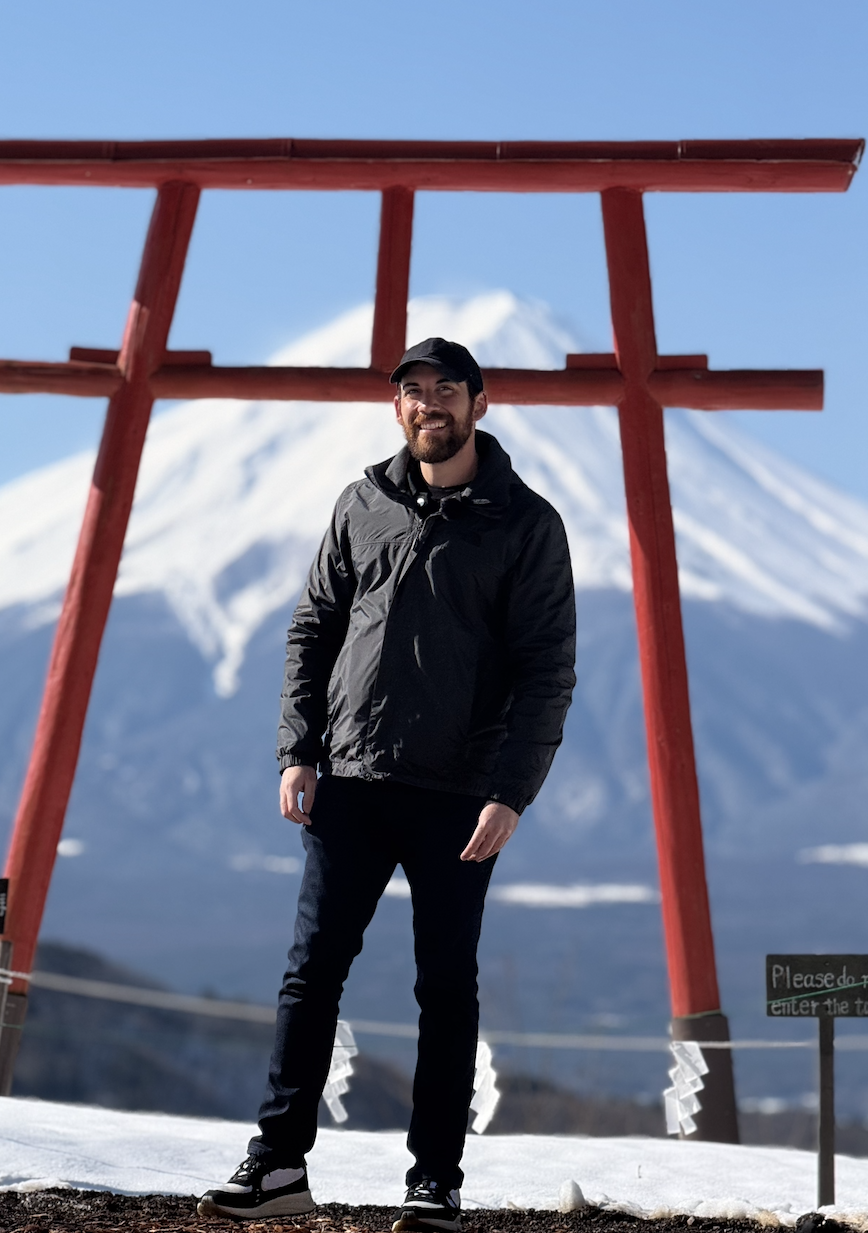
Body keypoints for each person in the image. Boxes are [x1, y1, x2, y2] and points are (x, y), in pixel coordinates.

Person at [199, 337, 576, 1230]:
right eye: (412, 391)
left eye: (446, 389)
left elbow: (545, 671)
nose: (427, 404)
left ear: (481, 404)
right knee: (310, 974)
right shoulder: (362, 503)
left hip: (459, 796)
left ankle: (434, 1183)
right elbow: (313, 627)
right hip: (353, 782)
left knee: (445, 988)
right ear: (396, 408)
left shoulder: (526, 524)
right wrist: (298, 746)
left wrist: (510, 792)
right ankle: (279, 1166)